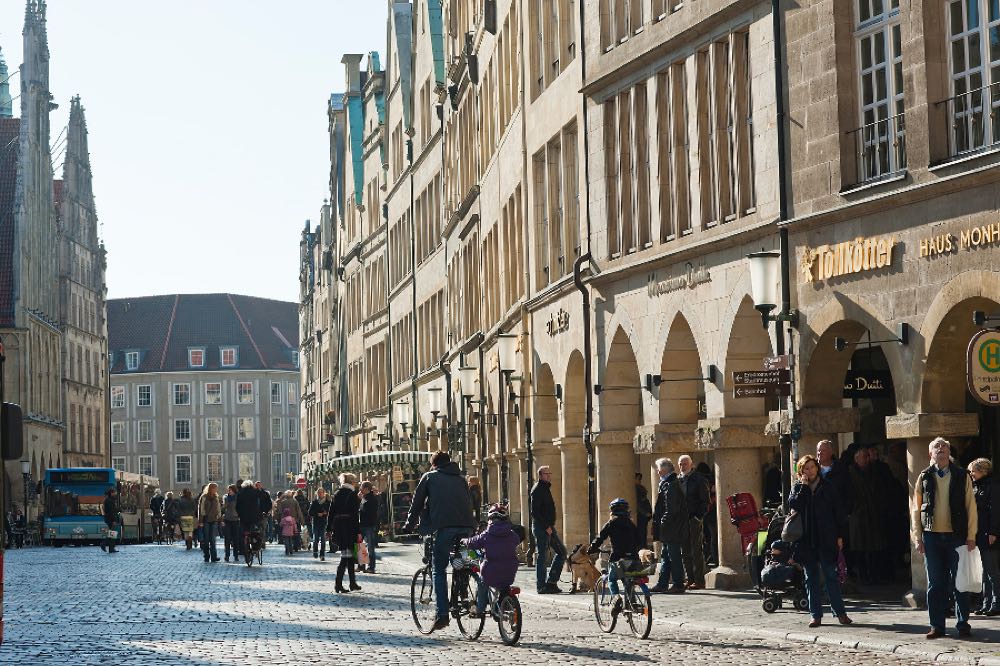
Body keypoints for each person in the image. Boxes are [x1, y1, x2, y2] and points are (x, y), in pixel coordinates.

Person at [403, 450, 476, 632]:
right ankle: (464, 595)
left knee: (438, 569)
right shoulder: (460, 478)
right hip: (468, 527)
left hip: (444, 528)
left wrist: (408, 525)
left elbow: (417, 503)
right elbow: (468, 503)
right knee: (464, 562)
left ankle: (442, 613)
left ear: (434, 464)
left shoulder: (430, 477)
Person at [914, 437, 977, 639]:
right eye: (936, 447)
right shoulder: (924, 476)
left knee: (960, 582)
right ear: (930, 453)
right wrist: (918, 537)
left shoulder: (961, 475)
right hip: (931, 537)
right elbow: (916, 509)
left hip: (956, 537)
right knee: (935, 584)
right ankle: (937, 626)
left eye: (945, 447)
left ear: (949, 453)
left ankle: (962, 624)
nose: (941, 449)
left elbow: (971, 506)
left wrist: (971, 535)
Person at [789, 454, 852, 628]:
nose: (810, 471)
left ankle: (840, 613)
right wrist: (803, 486)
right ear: (801, 472)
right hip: (807, 539)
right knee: (811, 578)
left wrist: (839, 536)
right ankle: (815, 615)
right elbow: (794, 505)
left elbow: (838, 512)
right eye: (805, 469)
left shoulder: (828, 486)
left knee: (831, 575)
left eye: (812, 467)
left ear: (817, 468)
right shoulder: (798, 488)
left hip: (826, 537)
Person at [464, 503, 520, 618]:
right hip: (510, 570)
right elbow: (517, 540)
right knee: (504, 585)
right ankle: (503, 605)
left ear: (490, 519)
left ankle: (480, 609)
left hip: (491, 571)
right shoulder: (512, 534)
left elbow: (474, 542)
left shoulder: (487, 535)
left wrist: (464, 541)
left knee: (483, 584)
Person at [588, 498, 640, 614]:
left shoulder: (611, 524)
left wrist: (592, 548)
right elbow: (639, 540)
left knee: (611, 579)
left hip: (618, 558)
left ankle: (616, 598)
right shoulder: (631, 524)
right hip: (633, 558)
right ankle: (632, 603)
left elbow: (600, 538)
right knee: (629, 581)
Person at [847, 447, 885, 584]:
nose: (867, 459)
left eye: (867, 456)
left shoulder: (874, 471)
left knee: (874, 547)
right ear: (857, 459)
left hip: (873, 514)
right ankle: (863, 575)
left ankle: (874, 574)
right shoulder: (851, 473)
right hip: (858, 514)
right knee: (859, 547)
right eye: (864, 457)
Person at [651, 458, 687, 594]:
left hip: (672, 527)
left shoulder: (671, 484)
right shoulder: (667, 483)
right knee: (665, 555)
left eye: (659, 469)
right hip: (670, 527)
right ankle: (662, 583)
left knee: (674, 555)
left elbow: (671, 509)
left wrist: (663, 522)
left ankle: (678, 583)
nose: (658, 471)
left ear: (665, 469)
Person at [969, 458, 1000, 616]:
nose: (972, 474)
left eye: (974, 471)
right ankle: (986, 602)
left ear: (983, 471)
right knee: (983, 570)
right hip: (979, 533)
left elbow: (995, 511)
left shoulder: (992, 486)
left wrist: (993, 532)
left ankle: (996, 602)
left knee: (992, 570)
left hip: (989, 533)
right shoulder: (975, 486)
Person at [530, 465, 566, 594]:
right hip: (542, 528)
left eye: (549, 473)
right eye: (546, 474)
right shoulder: (538, 489)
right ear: (540, 475)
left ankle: (551, 583)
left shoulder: (545, 488)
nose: (549, 475)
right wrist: (546, 527)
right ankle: (541, 586)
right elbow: (535, 512)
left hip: (548, 527)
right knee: (542, 556)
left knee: (561, 552)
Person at [678, 455, 709, 590]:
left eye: (685, 464)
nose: (682, 466)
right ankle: (689, 579)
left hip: (693, 518)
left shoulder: (699, 479)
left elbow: (705, 500)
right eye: (680, 464)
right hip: (681, 520)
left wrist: (698, 516)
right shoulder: (677, 480)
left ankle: (699, 580)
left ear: (691, 465)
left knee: (696, 549)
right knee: (684, 550)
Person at [330, 473, 362, 593]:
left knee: (349, 557)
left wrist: (329, 529)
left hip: (339, 528)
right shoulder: (352, 494)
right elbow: (355, 515)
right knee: (346, 557)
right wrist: (358, 531)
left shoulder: (337, 494)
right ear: (351, 482)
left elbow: (331, 512)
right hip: (349, 527)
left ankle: (352, 583)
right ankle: (338, 584)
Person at [236, 480, 265, 554]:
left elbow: (237, 506)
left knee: (243, 533)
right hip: (254, 517)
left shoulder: (240, 493)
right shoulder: (255, 492)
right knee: (255, 532)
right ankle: (255, 546)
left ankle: (244, 549)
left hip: (243, 517)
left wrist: (239, 514)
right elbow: (262, 496)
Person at [198, 483, 223, 563]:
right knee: (206, 540)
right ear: (211, 488)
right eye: (215, 488)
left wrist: (220, 518)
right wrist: (201, 521)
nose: (216, 490)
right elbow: (201, 509)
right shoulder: (204, 497)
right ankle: (206, 556)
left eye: (216, 488)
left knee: (213, 539)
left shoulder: (216, 497)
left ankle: (214, 556)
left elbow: (218, 508)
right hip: (206, 520)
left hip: (214, 520)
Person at [359, 481, 379, 573]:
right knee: (359, 545)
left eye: (361, 487)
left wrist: (361, 500)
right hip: (362, 524)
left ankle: (371, 567)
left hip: (369, 525)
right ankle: (361, 565)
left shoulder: (372, 499)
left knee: (370, 547)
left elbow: (368, 511)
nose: (360, 489)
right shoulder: (364, 498)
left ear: (366, 489)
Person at [308, 487, 331, 561]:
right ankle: (315, 551)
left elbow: (331, 512)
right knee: (315, 539)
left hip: (324, 522)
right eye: (318, 493)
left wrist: (325, 513)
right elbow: (310, 512)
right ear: (317, 494)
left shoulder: (328, 503)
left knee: (323, 540)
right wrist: (317, 514)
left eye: (321, 492)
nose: (320, 494)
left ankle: (322, 555)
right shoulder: (314, 502)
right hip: (316, 522)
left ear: (324, 493)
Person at [222, 484, 242, 562]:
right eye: (228, 490)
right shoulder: (226, 497)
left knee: (235, 539)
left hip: (236, 520)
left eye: (230, 490)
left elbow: (240, 508)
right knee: (227, 538)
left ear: (233, 490)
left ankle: (235, 555)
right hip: (227, 519)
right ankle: (227, 555)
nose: (229, 491)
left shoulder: (238, 497)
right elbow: (223, 508)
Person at [634, 473, 653, 550]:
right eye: (638, 479)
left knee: (643, 533)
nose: (639, 481)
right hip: (641, 515)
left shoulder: (639, 489)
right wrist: (645, 513)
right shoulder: (637, 489)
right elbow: (637, 503)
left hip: (643, 516)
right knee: (641, 534)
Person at [101, 487, 119, 554]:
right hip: (110, 519)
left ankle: (111, 548)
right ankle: (103, 544)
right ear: (111, 493)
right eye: (114, 492)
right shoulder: (109, 500)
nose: (115, 493)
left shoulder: (109, 500)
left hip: (109, 519)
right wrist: (113, 520)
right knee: (112, 534)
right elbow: (111, 512)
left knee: (112, 534)